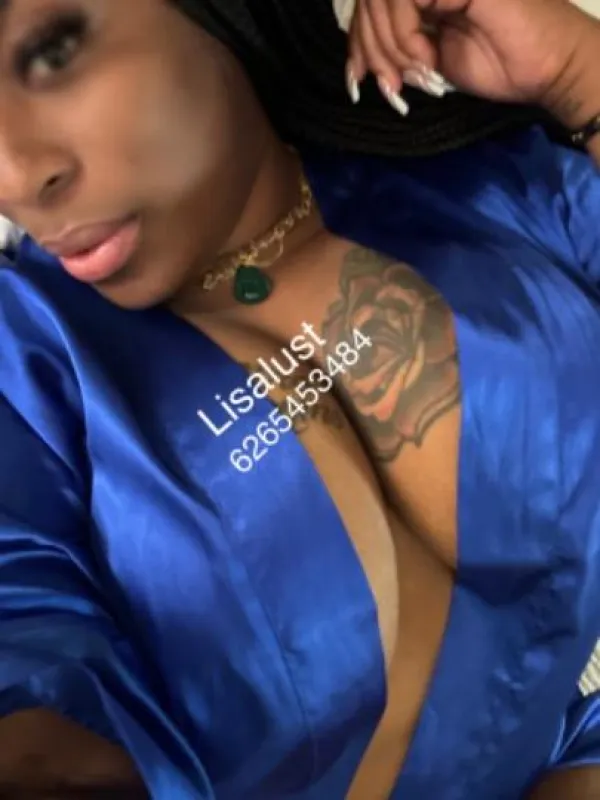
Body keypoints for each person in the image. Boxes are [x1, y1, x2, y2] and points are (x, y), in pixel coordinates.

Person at [0, 0, 599, 797]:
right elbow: (25, 643)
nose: (15, 178)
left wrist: (579, 75)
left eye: (53, 53)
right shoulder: (26, 358)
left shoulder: (486, 190)